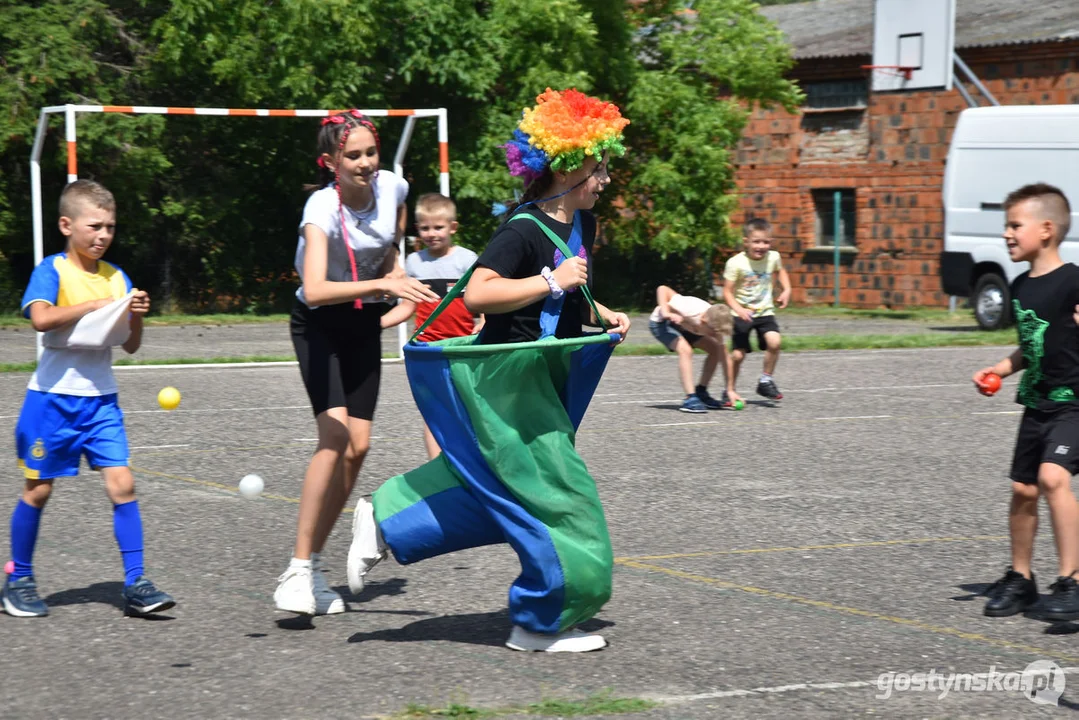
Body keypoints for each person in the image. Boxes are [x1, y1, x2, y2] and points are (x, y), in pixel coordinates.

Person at [346, 88, 631, 652]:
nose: (605, 178)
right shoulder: (522, 228)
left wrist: (602, 315)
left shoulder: (583, 225)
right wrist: (552, 281)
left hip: (543, 379)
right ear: (569, 166)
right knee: (564, 502)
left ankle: (386, 518)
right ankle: (540, 621)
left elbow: (569, 299)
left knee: (498, 492)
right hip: (507, 382)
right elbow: (478, 294)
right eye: (600, 166)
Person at [273, 110, 439, 616]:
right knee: (336, 437)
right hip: (318, 322)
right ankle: (296, 572)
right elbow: (318, 289)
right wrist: (386, 286)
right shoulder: (320, 208)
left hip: (363, 320)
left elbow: (392, 244)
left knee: (359, 446)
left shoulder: (394, 188)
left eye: (371, 153)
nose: (366, 163)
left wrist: (401, 285)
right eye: (353, 156)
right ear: (331, 162)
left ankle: (315, 566)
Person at [4, 179, 174, 618]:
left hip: (100, 403)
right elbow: (41, 320)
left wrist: (134, 317)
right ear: (67, 224)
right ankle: (17, 578)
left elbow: (130, 346)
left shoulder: (118, 277)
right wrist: (96, 305)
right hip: (51, 402)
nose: (103, 236)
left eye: (111, 228)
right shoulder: (53, 270)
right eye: (94, 226)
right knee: (38, 491)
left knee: (123, 485)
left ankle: (136, 582)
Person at [974, 183, 1079, 621]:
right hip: (1035, 404)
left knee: (1053, 479)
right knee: (1023, 489)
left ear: (1047, 229)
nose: (1007, 234)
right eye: (1006, 226)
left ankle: (1071, 581)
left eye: (1015, 225)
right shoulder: (1020, 287)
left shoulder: (1074, 280)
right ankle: (1021, 578)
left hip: (1073, 403)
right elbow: (1031, 345)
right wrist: (999, 368)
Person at [379, 193, 482, 459]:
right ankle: (437, 465)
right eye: (425, 228)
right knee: (433, 410)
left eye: (438, 227)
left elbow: (482, 297)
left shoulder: (466, 259)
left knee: (467, 408)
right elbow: (407, 306)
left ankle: (468, 464)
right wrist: (375, 324)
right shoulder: (414, 263)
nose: (431, 233)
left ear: (452, 228)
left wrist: (483, 321)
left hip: (462, 349)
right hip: (428, 349)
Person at [723, 218, 791, 401]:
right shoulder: (735, 263)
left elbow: (781, 271)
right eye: (756, 241)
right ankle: (729, 390)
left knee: (775, 342)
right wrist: (739, 310)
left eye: (766, 242)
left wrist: (786, 289)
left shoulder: (773, 257)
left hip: (765, 312)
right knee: (738, 355)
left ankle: (765, 381)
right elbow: (727, 292)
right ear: (746, 241)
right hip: (740, 314)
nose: (761, 246)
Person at [648, 285, 741, 413]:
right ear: (703, 320)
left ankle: (701, 392)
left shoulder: (716, 324)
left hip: (687, 327)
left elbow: (725, 358)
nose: (715, 335)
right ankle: (690, 398)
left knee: (715, 350)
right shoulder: (690, 309)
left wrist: (730, 389)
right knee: (686, 350)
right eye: (713, 332)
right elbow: (662, 289)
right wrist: (666, 312)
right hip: (662, 323)